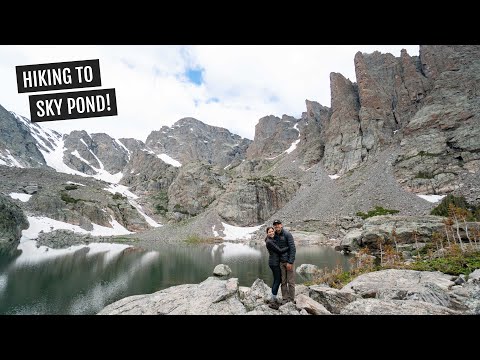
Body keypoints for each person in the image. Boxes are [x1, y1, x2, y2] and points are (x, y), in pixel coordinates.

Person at [264, 226, 289, 309]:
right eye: (269, 232)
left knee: (276, 280)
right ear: (267, 233)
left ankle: (273, 297)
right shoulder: (269, 242)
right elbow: (279, 251)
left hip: (274, 262)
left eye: (272, 231)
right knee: (277, 280)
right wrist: (289, 247)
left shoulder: (271, 240)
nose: (271, 233)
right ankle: (273, 299)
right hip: (274, 263)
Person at [273, 219, 296, 304]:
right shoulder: (274, 235)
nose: (277, 226)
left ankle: (292, 299)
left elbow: (293, 249)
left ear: (281, 225)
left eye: (278, 224)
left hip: (288, 262)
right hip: (281, 262)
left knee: (291, 281)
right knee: (283, 282)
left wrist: (290, 262)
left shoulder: (287, 234)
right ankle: (285, 299)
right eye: (275, 225)